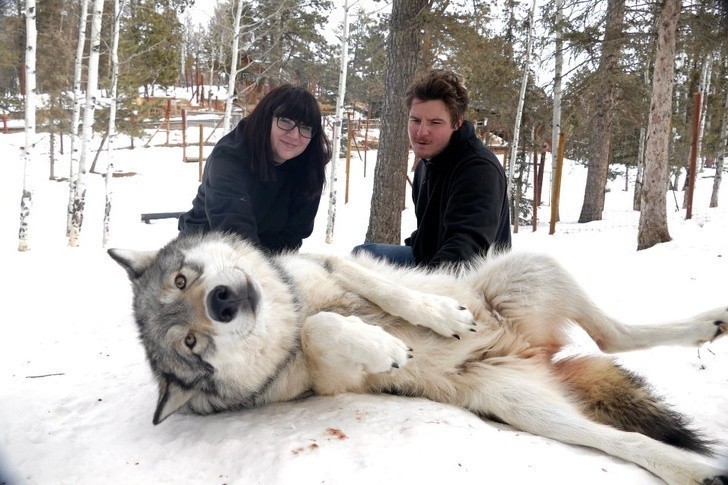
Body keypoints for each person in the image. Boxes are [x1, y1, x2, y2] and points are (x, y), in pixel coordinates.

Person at [354, 69, 511, 267]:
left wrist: (412, 287)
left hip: (475, 282)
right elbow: (428, 235)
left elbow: (466, 253)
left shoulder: (479, 170)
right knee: (362, 258)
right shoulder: (428, 163)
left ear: (457, 123)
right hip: (430, 262)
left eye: (435, 122)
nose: (421, 132)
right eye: (415, 120)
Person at [178, 84, 331, 253]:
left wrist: (274, 266)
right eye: (285, 121)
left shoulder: (309, 167)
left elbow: (294, 235)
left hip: (266, 256)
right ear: (266, 118)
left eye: (305, 127)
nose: (295, 135)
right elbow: (233, 231)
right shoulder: (229, 157)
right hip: (203, 250)